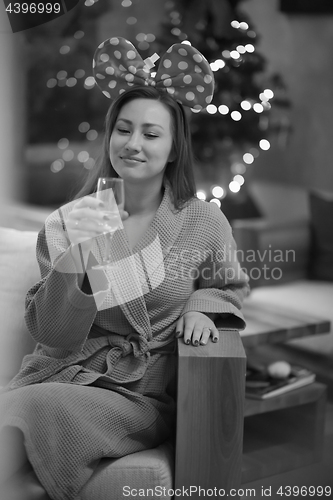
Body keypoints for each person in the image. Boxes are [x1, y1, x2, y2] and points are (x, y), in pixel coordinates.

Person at [0, 37, 250, 500]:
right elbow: (53, 334)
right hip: (64, 373)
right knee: (30, 404)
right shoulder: (69, 220)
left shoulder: (202, 221)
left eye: (151, 134)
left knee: (29, 409)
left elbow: (229, 284)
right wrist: (78, 256)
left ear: (174, 149)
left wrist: (202, 306)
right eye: (123, 130)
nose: (133, 144)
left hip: (139, 396)